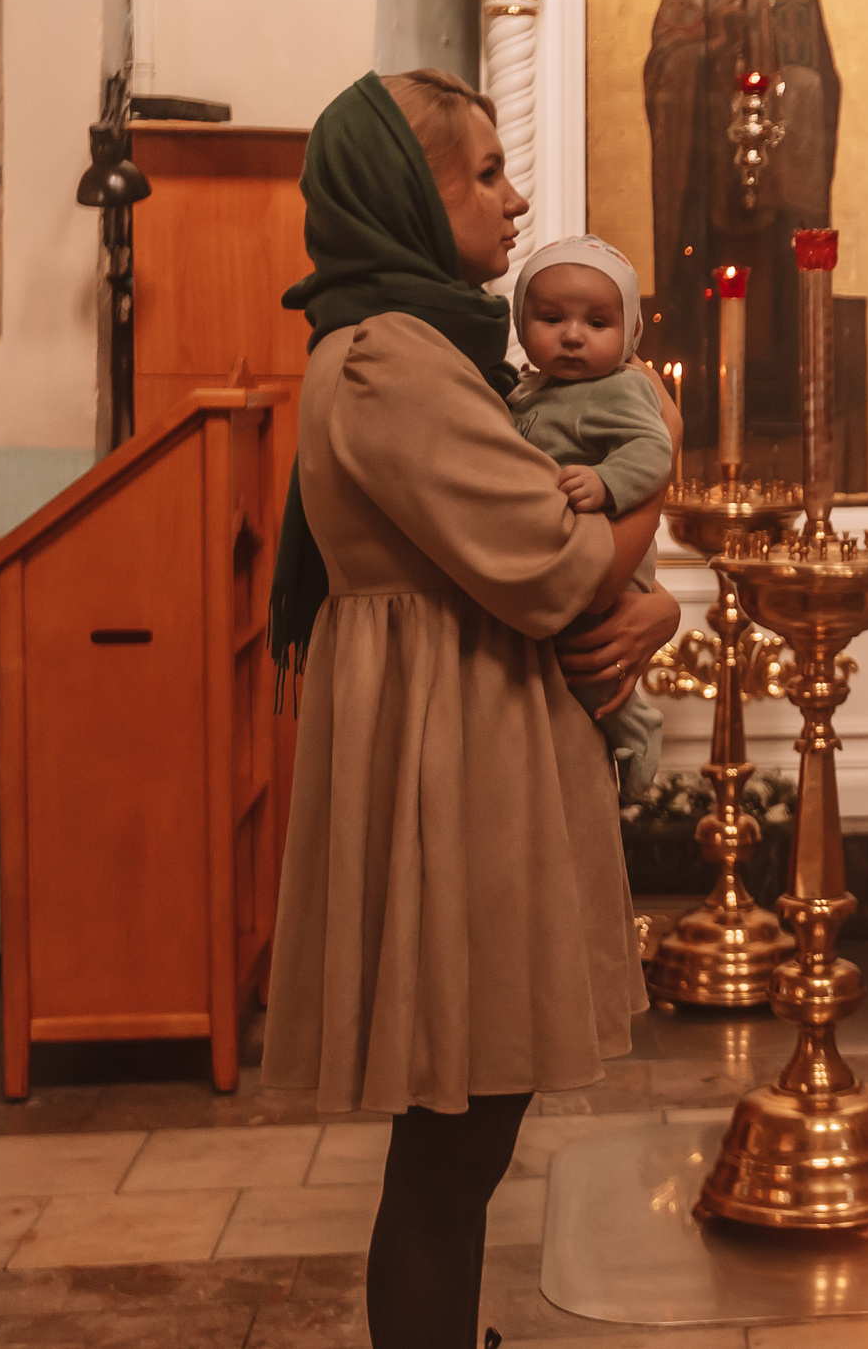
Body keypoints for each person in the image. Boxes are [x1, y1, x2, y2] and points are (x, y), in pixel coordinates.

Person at [261, 69, 680, 1349]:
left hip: (470, 724)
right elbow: (553, 568)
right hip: (454, 754)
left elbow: (551, 549)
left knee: (461, 1144)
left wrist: (649, 602)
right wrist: (659, 461)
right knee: (449, 1151)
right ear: (407, 191)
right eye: (487, 173)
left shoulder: (417, 341)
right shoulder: (392, 360)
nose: (518, 199)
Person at [641, 0, 839, 452]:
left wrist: (785, 85)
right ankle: (697, 403)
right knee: (701, 270)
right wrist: (714, 37)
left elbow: (816, 74)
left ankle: (779, 399)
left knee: (774, 283)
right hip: (705, 158)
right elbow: (662, 64)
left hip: (775, 158)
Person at [507, 233, 675, 805]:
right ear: (522, 322)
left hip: (608, 556)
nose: (573, 335)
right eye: (551, 318)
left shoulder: (621, 387)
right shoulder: (529, 391)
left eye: (597, 323)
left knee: (596, 668)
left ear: (629, 335)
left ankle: (635, 732)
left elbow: (654, 450)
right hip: (561, 558)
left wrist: (606, 483)